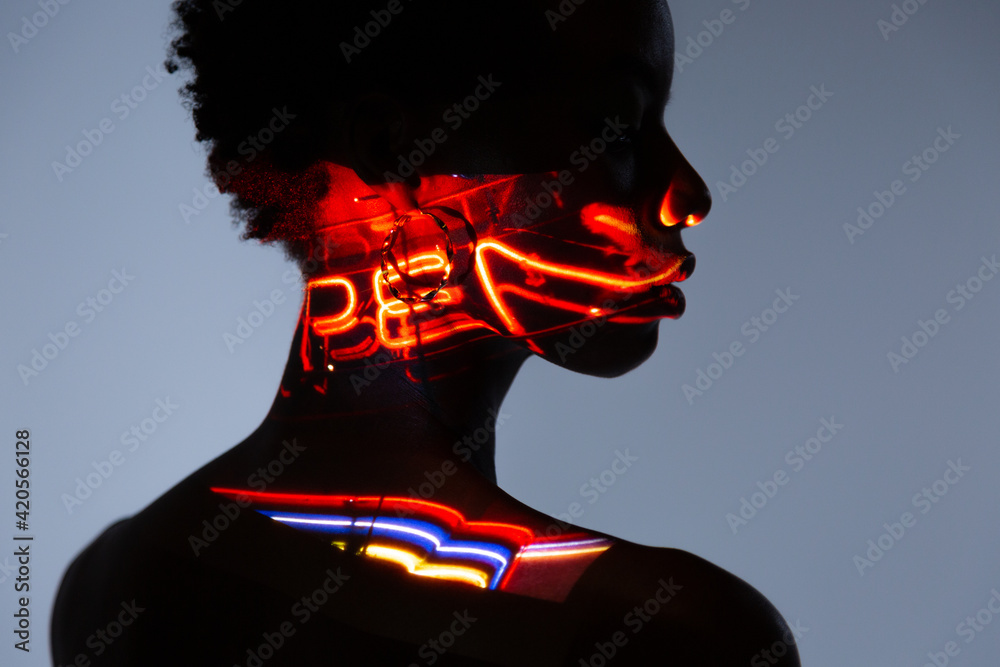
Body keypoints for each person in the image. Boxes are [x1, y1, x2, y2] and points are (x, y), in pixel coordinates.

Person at [51, 1, 801, 664]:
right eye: (616, 128)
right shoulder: (675, 635)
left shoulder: (107, 584)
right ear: (391, 147)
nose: (688, 194)